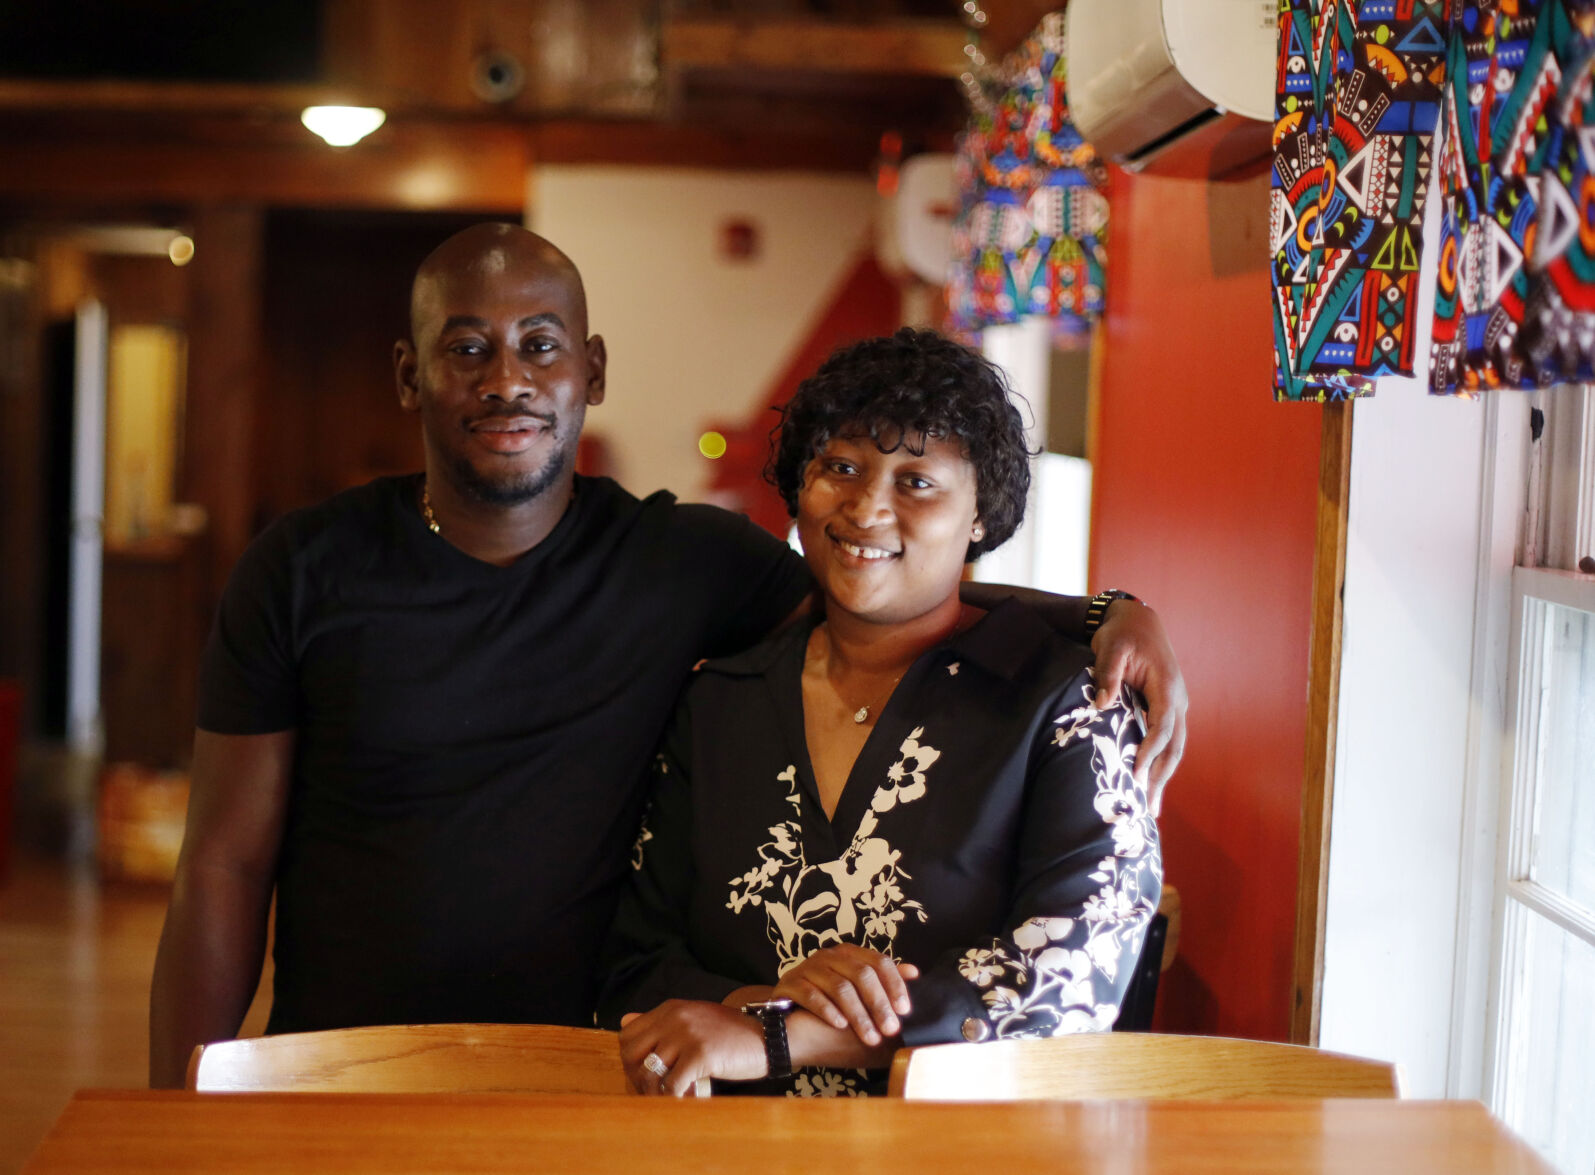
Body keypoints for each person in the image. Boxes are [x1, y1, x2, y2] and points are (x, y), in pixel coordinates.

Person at [148, 224, 1185, 1089]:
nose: (506, 378)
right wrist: (177, 1100)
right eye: (466, 348)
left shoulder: (678, 561)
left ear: (589, 370)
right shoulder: (302, 568)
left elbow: (884, 587)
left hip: (584, 1069)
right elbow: (222, 863)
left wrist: (1098, 612)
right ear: (408, 371)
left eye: (540, 344)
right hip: (345, 1059)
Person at [602, 328, 1162, 1097]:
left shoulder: (1069, 703)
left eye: (917, 480)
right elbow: (632, 963)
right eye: (841, 467)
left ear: (979, 514)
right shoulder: (718, 700)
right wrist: (750, 1003)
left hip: (972, 1151)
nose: (866, 505)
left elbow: (1073, 978)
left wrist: (778, 1036)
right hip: (731, 1147)